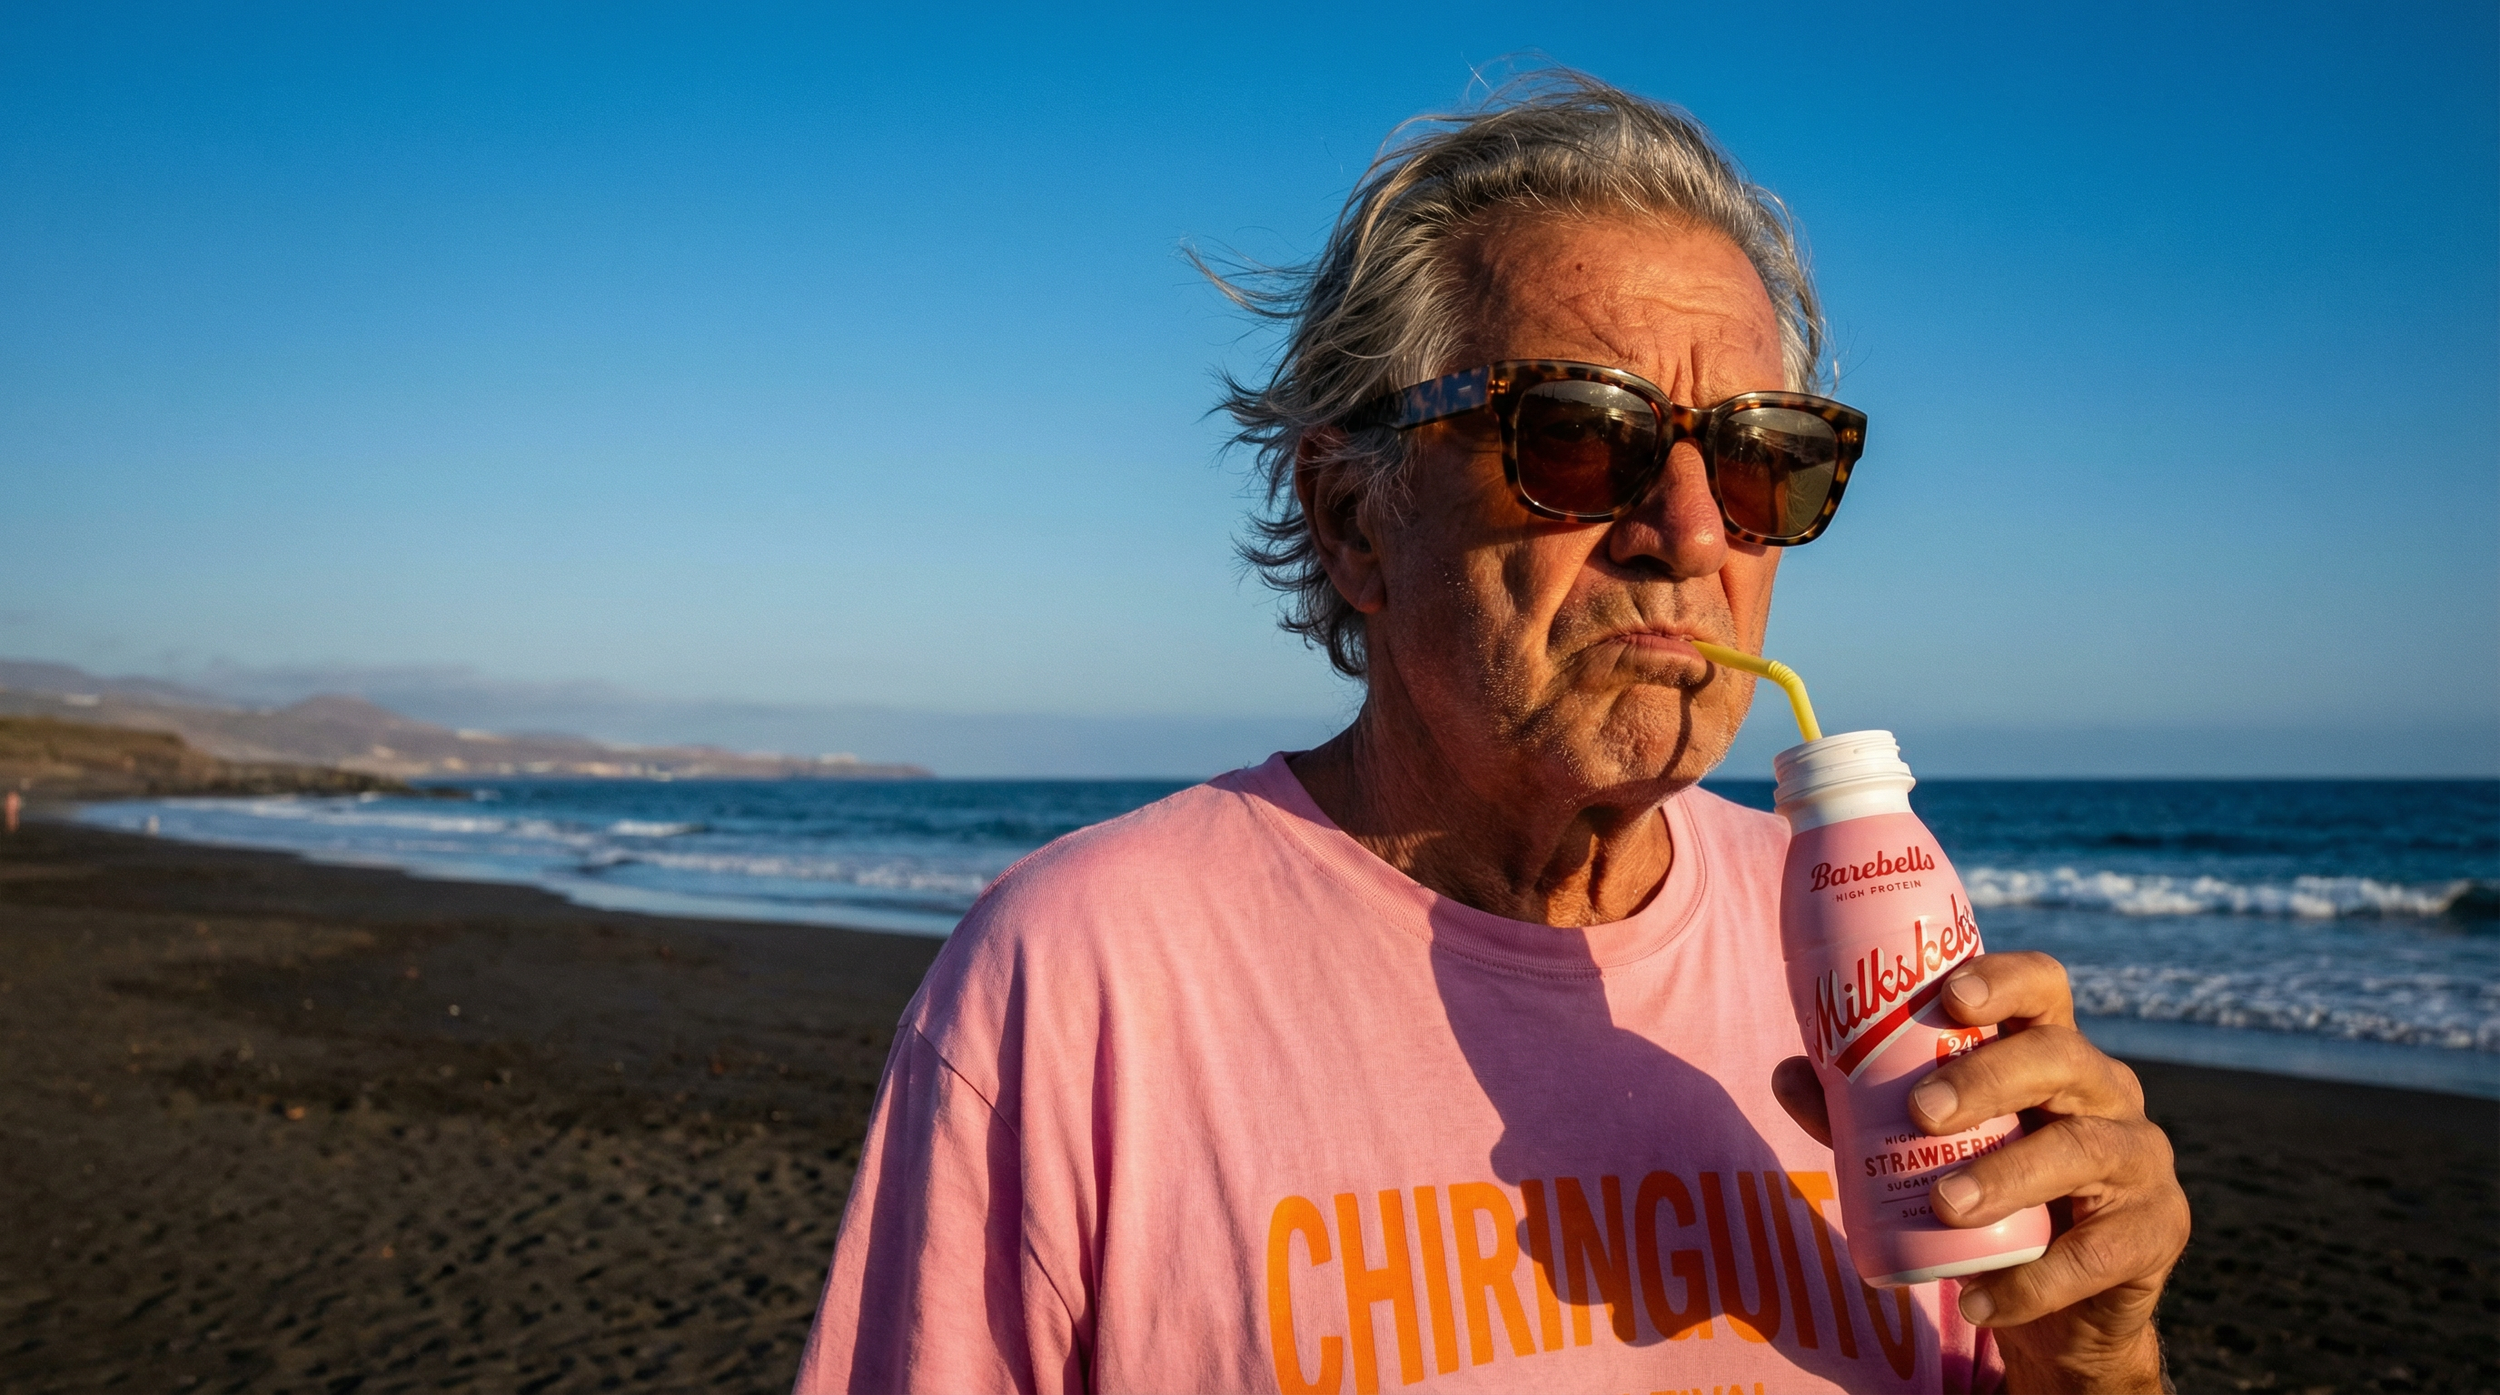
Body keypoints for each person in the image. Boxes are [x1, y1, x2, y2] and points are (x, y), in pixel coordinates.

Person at [795, 73, 2187, 1394]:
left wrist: (2098, 1361)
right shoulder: (1082, 976)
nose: (1695, 534)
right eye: (1581, 436)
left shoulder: (1872, 922)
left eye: (1765, 455)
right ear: (1356, 518)